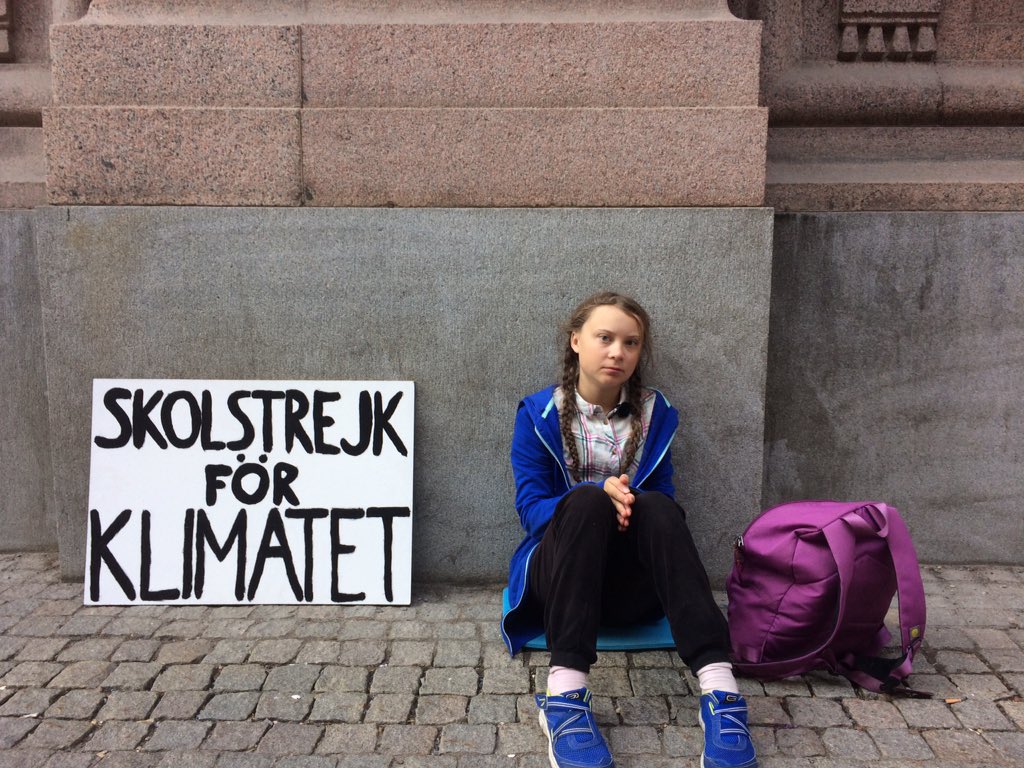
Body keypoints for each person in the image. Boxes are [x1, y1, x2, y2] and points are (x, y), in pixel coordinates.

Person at [500, 291, 757, 768]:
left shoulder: (655, 415)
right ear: (576, 341)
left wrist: (629, 503)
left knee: (659, 507)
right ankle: (564, 698)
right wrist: (597, 496)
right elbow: (532, 511)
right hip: (560, 584)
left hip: (628, 588)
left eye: (631, 342)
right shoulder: (537, 416)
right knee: (583, 502)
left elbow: (663, 510)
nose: (618, 351)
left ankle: (721, 691)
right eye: (605, 338)